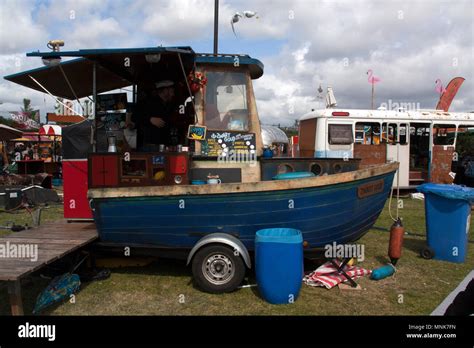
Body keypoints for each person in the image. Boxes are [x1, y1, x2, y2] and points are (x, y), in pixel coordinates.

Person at [141, 80, 179, 150]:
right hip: (152, 145)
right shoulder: (150, 103)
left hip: (165, 144)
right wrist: (150, 119)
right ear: (165, 90)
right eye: (171, 91)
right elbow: (135, 117)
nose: (173, 94)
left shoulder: (169, 105)